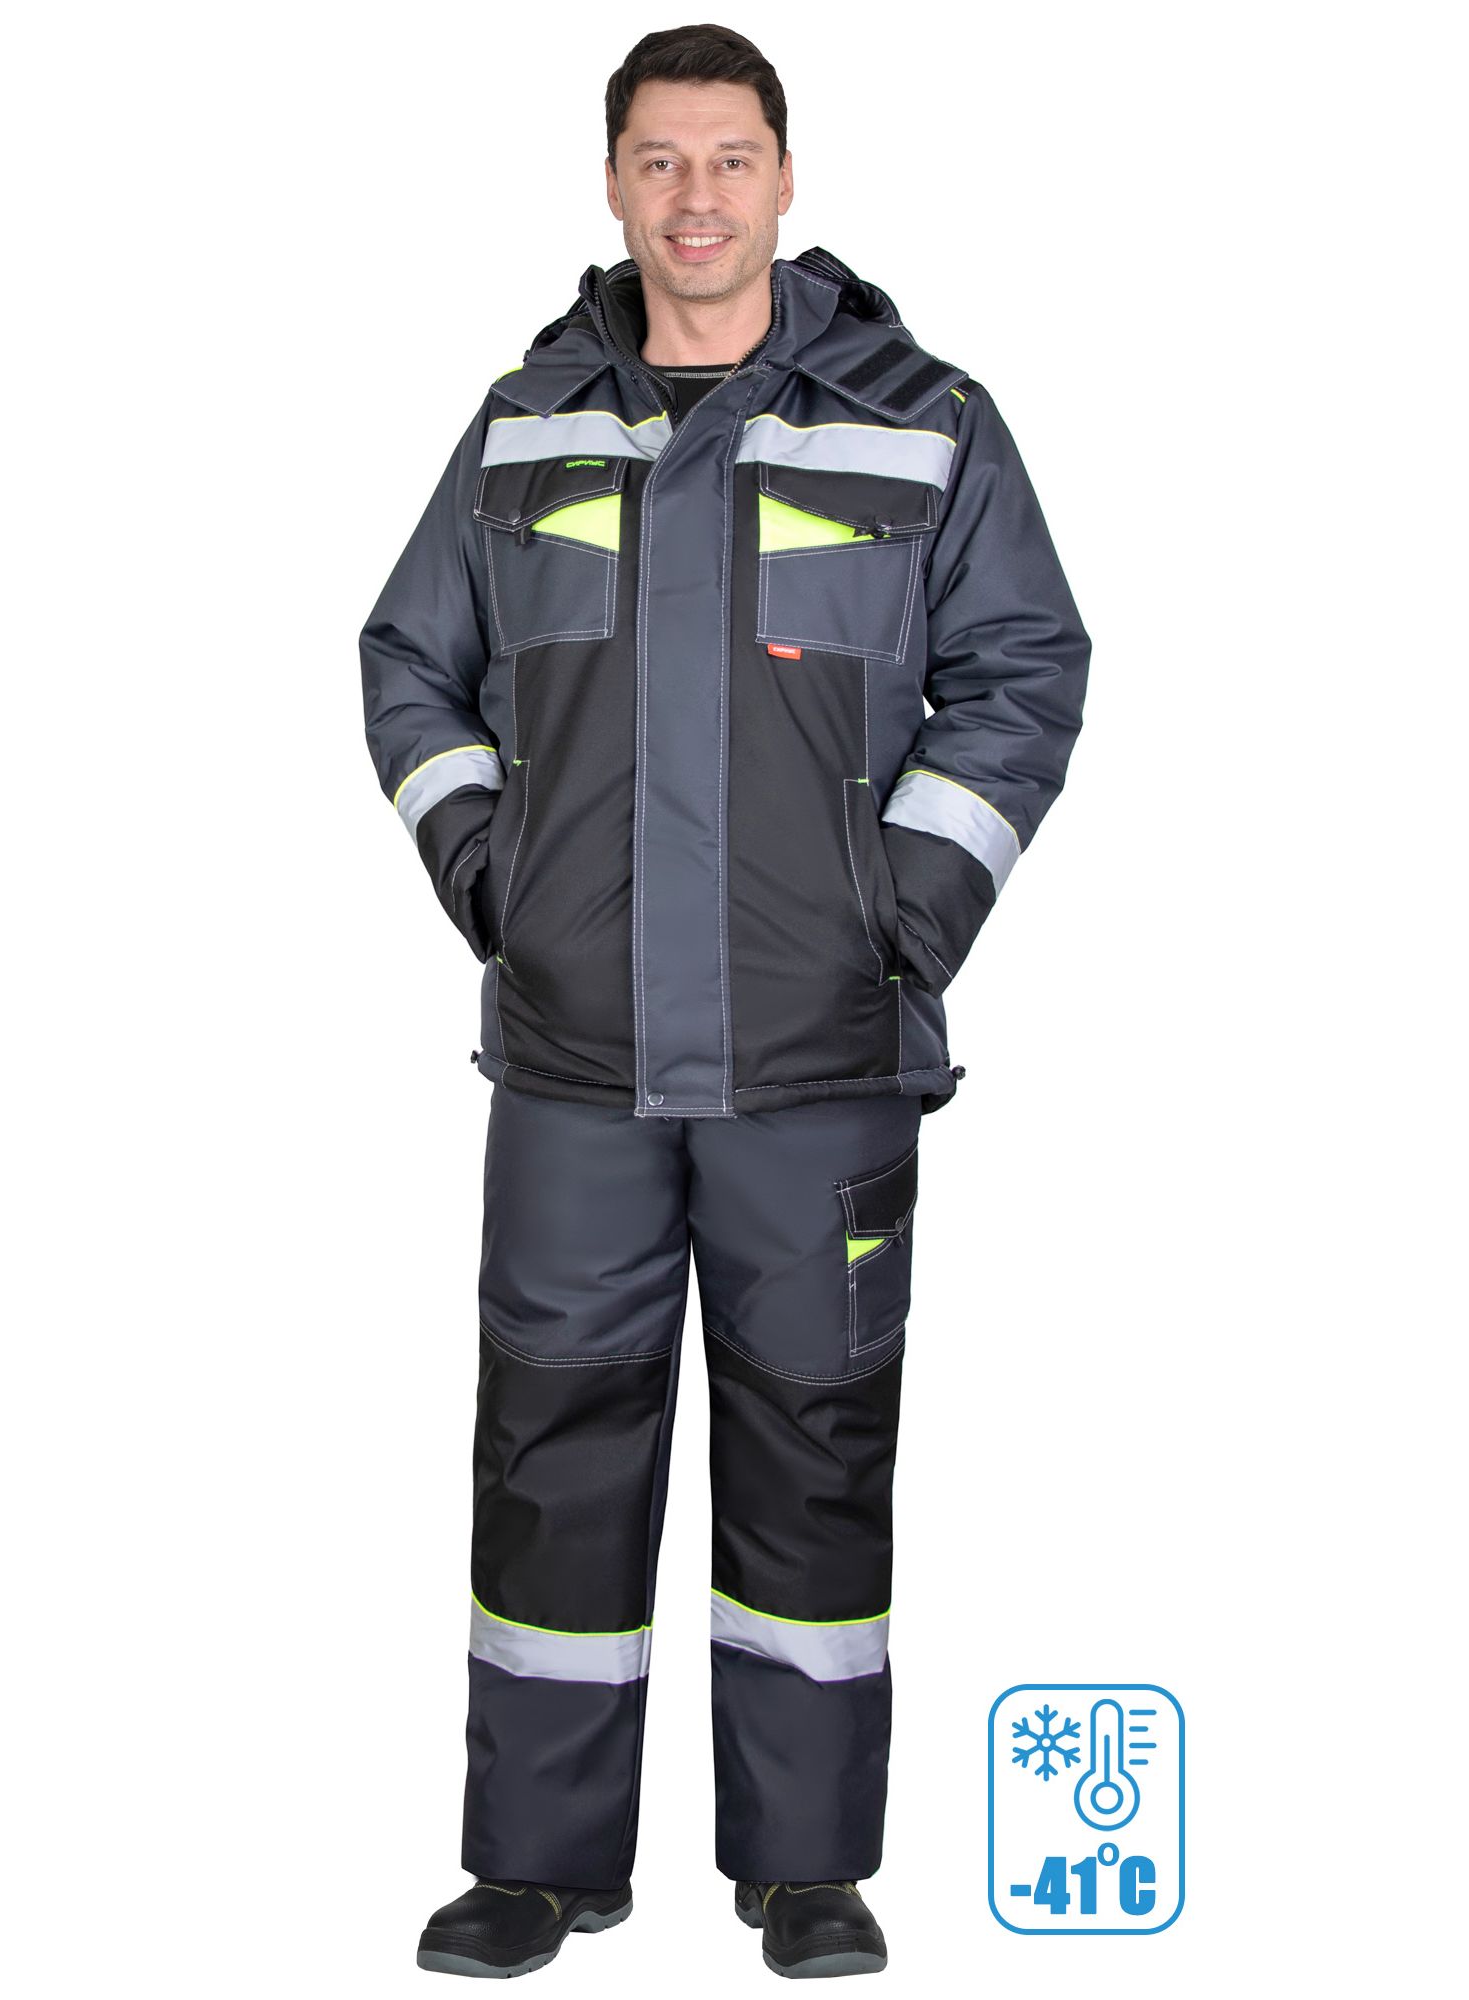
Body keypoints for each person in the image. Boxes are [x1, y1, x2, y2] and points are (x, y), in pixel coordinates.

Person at [358, 22, 1090, 1981]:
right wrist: (495, 881)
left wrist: (900, 912)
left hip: (820, 1057)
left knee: (815, 1453)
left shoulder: (924, 421)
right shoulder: (527, 424)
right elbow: (408, 661)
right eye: (660, 161)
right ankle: (537, 1862)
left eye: (729, 158)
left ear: (784, 178)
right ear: (611, 182)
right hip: (575, 1063)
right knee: (550, 1450)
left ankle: (807, 1864)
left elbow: (1025, 667)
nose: (695, 198)